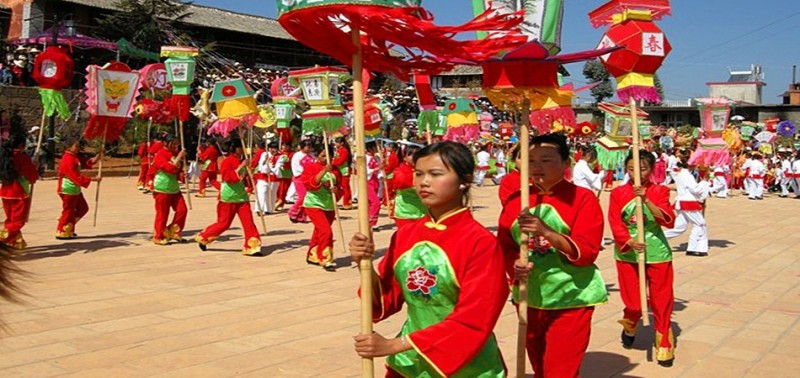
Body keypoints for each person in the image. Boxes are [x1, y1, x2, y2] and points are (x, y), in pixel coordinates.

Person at [349, 141, 509, 377]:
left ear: (464, 180)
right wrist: (365, 264)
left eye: (435, 174)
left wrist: (395, 345)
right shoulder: (405, 234)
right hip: (408, 364)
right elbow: (386, 299)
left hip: (464, 364)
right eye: (419, 174)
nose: (423, 182)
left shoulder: (480, 242)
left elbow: (475, 318)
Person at [497, 133, 607, 378]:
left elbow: (587, 251)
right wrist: (514, 265)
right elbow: (504, 245)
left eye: (546, 160)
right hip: (530, 295)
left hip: (571, 296)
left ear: (566, 163)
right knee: (539, 364)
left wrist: (546, 232)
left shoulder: (582, 199)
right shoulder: (516, 200)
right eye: (531, 160)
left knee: (560, 369)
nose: (537, 167)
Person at [608, 150, 677, 367]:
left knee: (661, 299)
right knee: (634, 301)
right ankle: (631, 321)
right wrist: (628, 241)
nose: (636, 173)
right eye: (631, 169)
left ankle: (664, 340)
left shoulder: (660, 191)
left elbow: (668, 220)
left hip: (656, 252)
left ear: (651, 169)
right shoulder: (618, 193)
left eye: (643, 168)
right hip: (628, 252)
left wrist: (645, 200)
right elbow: (615, 221)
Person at [196, 137, 262, 256]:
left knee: (249, 223)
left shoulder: (242, 160)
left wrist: (250, 176)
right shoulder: (227, 161)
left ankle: (252, 246)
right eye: (241, 147)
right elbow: (228, 177)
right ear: (236, 149)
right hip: (228, 197)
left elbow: (245, 179)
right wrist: (241, 167)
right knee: (224, 223)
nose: (243, 150)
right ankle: (204, 236)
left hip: (241, 196)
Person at [302, 144, 339, 271]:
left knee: (319, 231)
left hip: (329, 205)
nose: (326, 159)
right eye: (323, 156)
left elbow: (341, 187)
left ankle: (312, 254)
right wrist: (323, 171)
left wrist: (336, 190)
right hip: (313, 204)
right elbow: (309, 183)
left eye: (329, 156)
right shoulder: (311, 166)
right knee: (326, 231)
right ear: (317, 155)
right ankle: (325, 257)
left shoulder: (335, 170)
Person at [664, 157, 711, 256]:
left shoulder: (683, 174)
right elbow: (696, 189)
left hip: (683, 201)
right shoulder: (686, 175)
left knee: (680, 227)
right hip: (687, 201)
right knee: (700, 224)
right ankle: (696, 248)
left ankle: (657, 237)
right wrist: (705, 182)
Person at [55, 137, 101, 240]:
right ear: (68, 147)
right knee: (68, 210)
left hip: (75, 188)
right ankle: (62, 229)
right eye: (75, 146)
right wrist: (92, 179)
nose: (78, 148)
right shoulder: (67, 159)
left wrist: (98, 156)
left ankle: (68, 226)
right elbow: (74, 175)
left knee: (82, 208)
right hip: (67, 188)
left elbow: (87, 162)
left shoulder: (74, 157)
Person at [0, 130, 37, 249]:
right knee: (18, 220)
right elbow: (32, 175)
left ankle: (16, 241)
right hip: (19, 191)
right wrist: (33, 168)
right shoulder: (22, 157)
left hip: (6, 191)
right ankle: (5, 237)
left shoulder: (5, 156)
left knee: (11, 218)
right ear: (21, 145)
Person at [151, 134, 188, 245]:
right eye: (174, 143)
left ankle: (174, 231)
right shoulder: (160, 154)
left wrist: (183, 173)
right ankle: (159, 235)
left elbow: (177, 169)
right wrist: (179, 157)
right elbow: (169, 168)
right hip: (162, 188)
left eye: (177, 143)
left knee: (182, 210)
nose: (176, 145)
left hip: (174, 188)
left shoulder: (174, 154)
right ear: (166, 143)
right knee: (163, 213)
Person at [391, 144, 426, 229]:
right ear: (404, 157)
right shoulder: (399, 170)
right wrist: (417, 175)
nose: (414, 157)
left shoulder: (426, 170)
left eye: (417, 154)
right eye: (410, 154)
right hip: (405, 212)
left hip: (424, 211)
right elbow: (400, 182)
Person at [288, 140, 314, 223]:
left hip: (309, 178)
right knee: (302, 197)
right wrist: (307, 171)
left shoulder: (311, 156)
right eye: (307, 146)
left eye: (310, 147)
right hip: (300, 178)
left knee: (307, 198)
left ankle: (301, 216)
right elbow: (297, 167)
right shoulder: (297, 155)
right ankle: (293, 212)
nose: (309, 148)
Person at [331, 136, 353, 209]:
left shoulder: (344, 150)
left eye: (337, 142)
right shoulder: (339, 150)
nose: (335, 144)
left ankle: (347, 203)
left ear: (342, 143)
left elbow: (341, 161)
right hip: (339, 171)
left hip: (344, 171)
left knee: (345, 187)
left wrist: (332, 163)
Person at [365, 141, 382, 229]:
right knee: (376, 203)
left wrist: (381, 174)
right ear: (371, 148)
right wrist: (375, 169)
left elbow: (380, 169)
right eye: (375, 147)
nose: (377, 148)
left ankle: (369, 221)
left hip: (375, 181)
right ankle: (372, 222)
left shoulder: (377, 157)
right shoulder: (366, 158)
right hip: (367, 182)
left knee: (371, 203)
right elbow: (364, 171)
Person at [275, 142, 293, 210]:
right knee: (278, 188)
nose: (284, 147)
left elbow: (290, 162)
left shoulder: (292, 154)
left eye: (286, 145)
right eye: (283, 145)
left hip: (287, 174)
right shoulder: (279, 153)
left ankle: (281, 202)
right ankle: (278, 201)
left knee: (284, 189)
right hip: (279, 173)